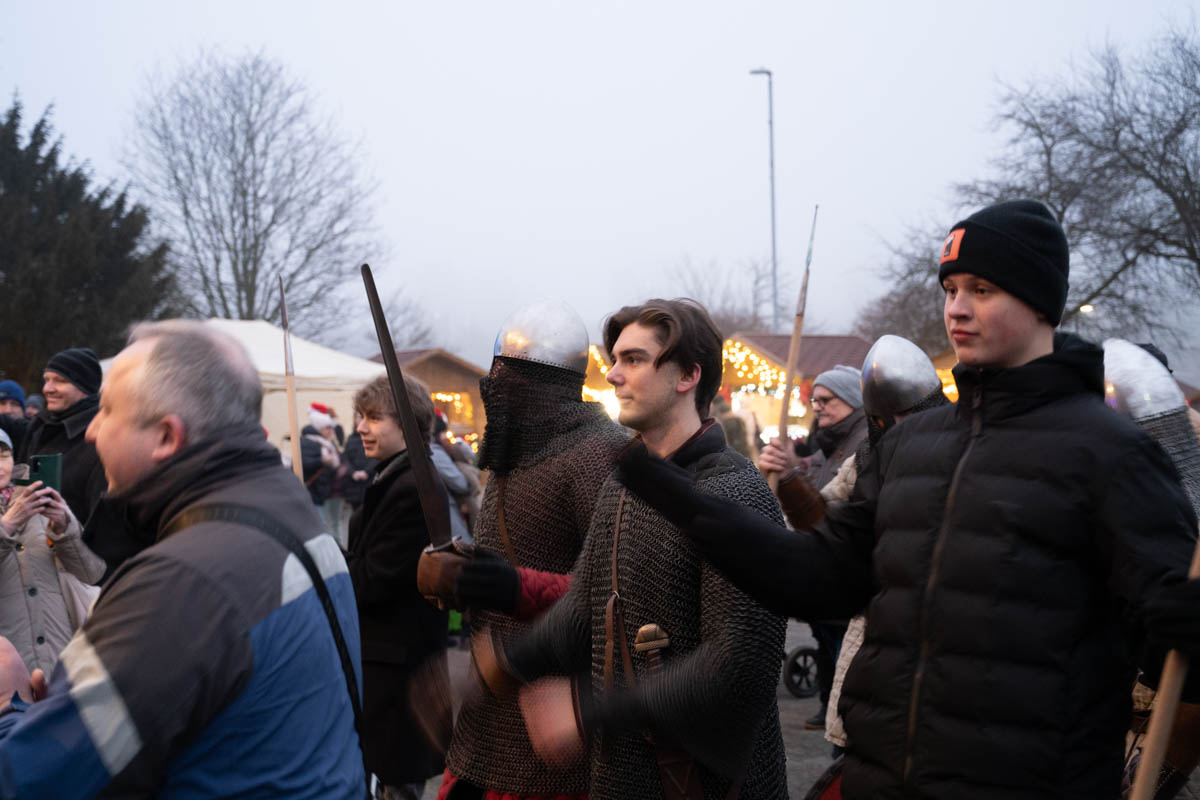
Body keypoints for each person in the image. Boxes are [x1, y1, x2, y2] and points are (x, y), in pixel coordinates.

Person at [615, 201, 1200, 799]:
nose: (958, 308)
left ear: (1039, 300)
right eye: (950, 288)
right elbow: (820, 578)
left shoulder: (1112, 453)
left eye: (983, 288)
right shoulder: (910, 444)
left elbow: (1172, 659)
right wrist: (674, 493)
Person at [0, 319, 365, 798]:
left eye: (107, 411)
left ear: (167, 437)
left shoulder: (187, 578)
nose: (90, 432)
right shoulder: (290, 510)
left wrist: (11, 710)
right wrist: (62, 716)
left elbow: (32, 780)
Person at [475, 299, 788, 799]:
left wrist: (591, 710)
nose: (614, 375)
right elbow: (582, 610)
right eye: (615, 359)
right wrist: (500, 662)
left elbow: (736, 667)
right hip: (626, 777)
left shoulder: (736, 495)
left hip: (705, 782)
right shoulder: (626, 485)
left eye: (634, 360)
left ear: (687, 375)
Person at [419, 300, 627, 800]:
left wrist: (513, 587)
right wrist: (461, 574)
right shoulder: (516, 452)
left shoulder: (599, 455)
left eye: (502, 372)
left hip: (554, 719)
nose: (490, 385)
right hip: (489, 717)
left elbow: (619, 592)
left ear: (533, 379)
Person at [347, 373, 451, 800]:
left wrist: (328, 560)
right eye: (360, 416)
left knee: (398, 783)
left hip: (399, 666)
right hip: (388, 660)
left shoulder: (413, 488)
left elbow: (374, 581)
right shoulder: (395, 477)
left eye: (373, 417)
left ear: (406, 422)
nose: (360, 427)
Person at [761, 364, 868, 731]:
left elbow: (829, 512)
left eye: (827, 400)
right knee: (826, 650)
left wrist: (791, 477)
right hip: (828, 576)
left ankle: (838, 714)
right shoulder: (830, 443)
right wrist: (788, 466)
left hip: (848, 580)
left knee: (844, 661)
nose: (817, 406)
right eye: (815, 400)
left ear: (852, 401)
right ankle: (827, 706)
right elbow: (813, 476)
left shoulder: (864, 443)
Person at [0, 429, 105, 673]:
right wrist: (7, 527)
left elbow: (91, 574)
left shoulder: (36, 494)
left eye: (3, 455)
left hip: (60, 649)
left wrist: (64, 529)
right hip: (9, 659)